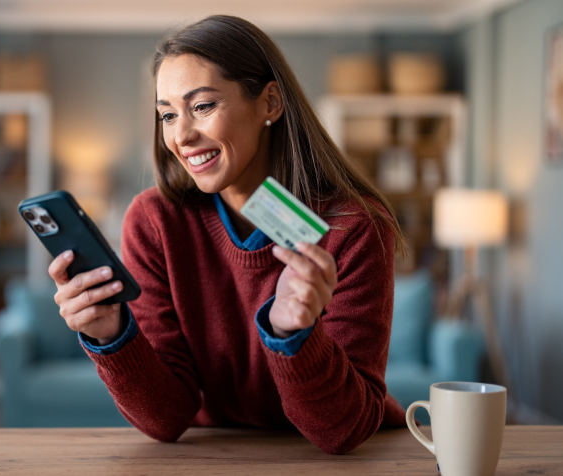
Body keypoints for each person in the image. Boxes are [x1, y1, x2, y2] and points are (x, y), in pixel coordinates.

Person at [49, 15, 407, 455]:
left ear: (270, 103)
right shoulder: (154, 223)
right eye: (167, 114)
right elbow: (166, 419)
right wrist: (112, 336)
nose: (181, 136)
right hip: (214, 455)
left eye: (202, 106)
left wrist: (293, 334)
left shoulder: (353, 227)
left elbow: (343, 431)